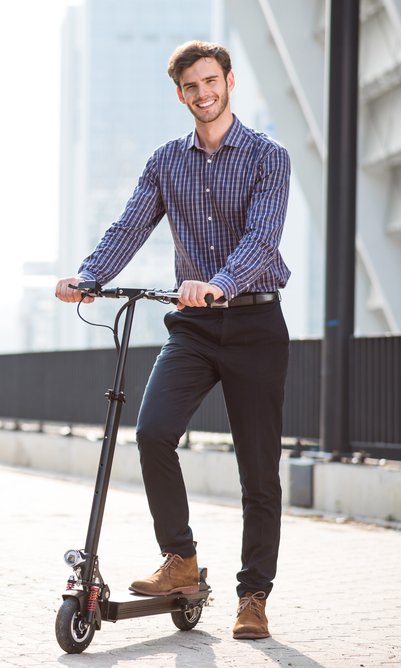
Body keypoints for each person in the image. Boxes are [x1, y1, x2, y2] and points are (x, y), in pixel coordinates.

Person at [55, 41, 291, 641]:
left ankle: (253, 597)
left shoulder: (269, 157)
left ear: (229, 82)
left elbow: (263, 239)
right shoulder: (167, 161)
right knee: (153, 431)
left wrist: (218, 283)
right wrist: (91, 278)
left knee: (257, 470)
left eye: (211, 81)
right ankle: (180, 558)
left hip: (255, 324)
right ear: (180, 93)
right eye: (191, 86)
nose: (203, 93)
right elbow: (132, 222)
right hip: (194, 325)